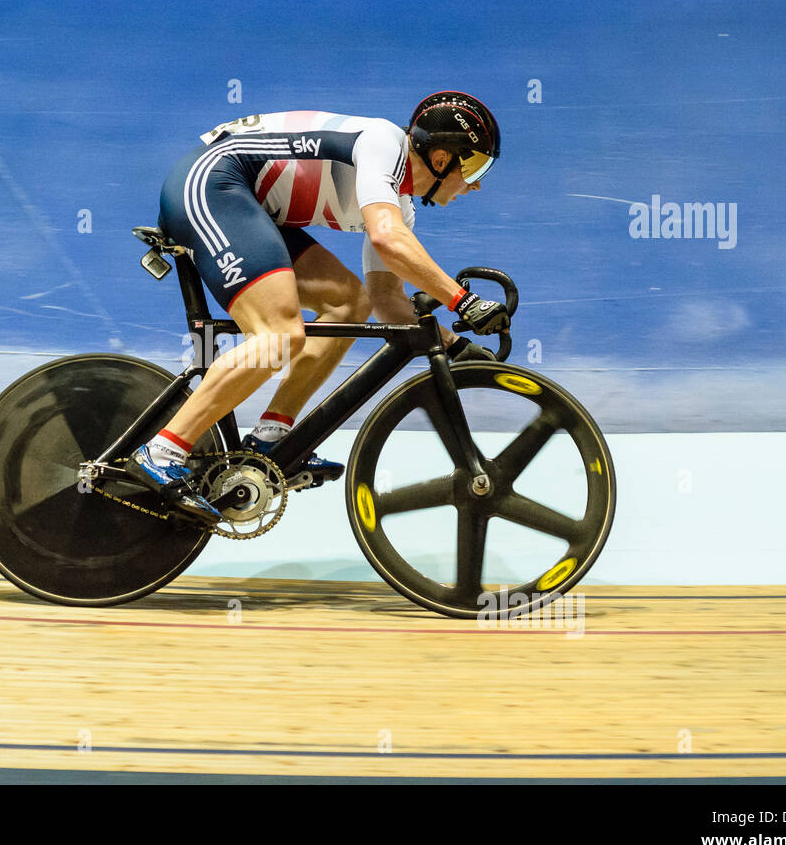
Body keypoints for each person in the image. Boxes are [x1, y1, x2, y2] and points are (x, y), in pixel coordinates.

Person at [126, 92, 510, 525]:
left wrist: (452, 344)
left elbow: (386, 302)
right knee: (279, 335)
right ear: (441, 158)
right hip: (212, 182)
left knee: (350, 303)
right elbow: (386, 239)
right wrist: (464, 301)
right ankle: (163, 450)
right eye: (475, 167)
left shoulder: (398, 203)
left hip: (247, 204)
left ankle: (271, 437)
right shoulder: (383, 143)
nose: (476, 184)